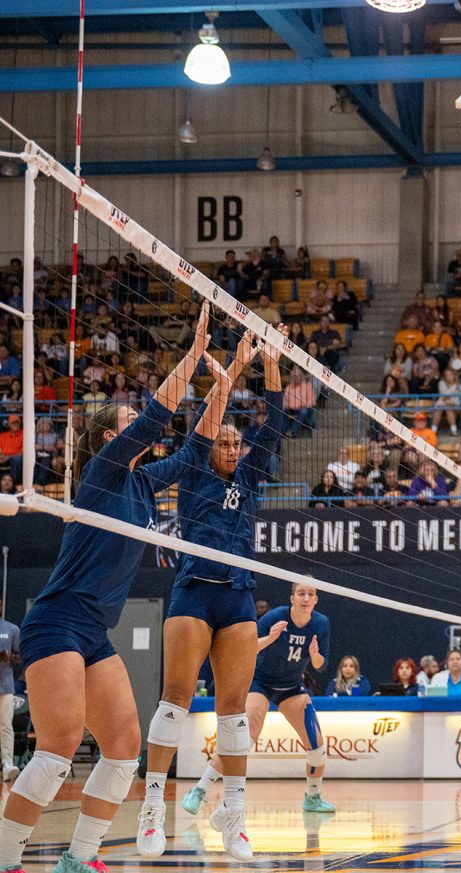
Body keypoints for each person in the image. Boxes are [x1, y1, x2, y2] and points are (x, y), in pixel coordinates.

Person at [0, 308, 219, 873]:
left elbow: (196, 453)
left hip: (93, 632)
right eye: (126, 417)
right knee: (57, 750)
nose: (138, 422)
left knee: (124, 747)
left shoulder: (144, 483)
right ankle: (5, 859)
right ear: (108, 436)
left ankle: (79, 859)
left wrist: (225, 381)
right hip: (55, 623)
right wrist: (192, 354)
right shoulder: (101, 472)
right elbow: (154, 420)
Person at [138, 328, 285, 861]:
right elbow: (203, 429)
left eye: (234, 442)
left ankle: (234, 817)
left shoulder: (248, 477)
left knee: (234, 714)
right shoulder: (195, 471)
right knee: (174, 701)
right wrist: (234, 369)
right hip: (194, 592)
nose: (229, 448)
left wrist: (271, 361)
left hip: (239, 597)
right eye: (222, 441)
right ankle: (152, 811)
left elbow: (277, 421)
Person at [181, 582, 335, 822]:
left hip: (291, 686)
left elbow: (321, 666)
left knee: (317, 748)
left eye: (311, 594)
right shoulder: (275, 617)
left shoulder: (321, 623)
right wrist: (271, 637)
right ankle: (199, 790)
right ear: (292, 598)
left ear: (316, 600)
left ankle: (312, 797)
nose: (306, 598)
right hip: (260, 682)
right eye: (301, 593)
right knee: (242, 740)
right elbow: (246, 649)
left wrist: (314, 654)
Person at [0, 605, 19, 782]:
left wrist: (9, 657)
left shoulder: (11, 629)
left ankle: (7, 765)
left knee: (6, 726)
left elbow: (18, 656)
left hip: (5, 687)